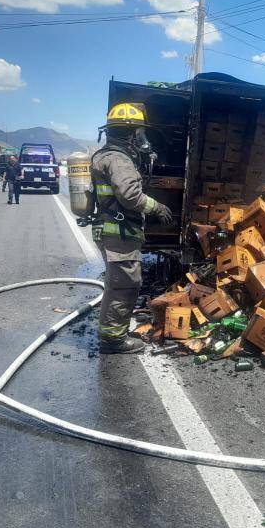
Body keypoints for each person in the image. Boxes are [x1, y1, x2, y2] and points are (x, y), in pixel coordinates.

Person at [91, 102, 173, 354]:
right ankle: (113, 341)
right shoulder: (118, 159)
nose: (142, 138)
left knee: (118, 284)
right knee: (124, 285)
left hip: (115, 232)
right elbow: (129, 195)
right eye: (139, 133)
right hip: (119, 233)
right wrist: (157, 207)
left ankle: (113, 335)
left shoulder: (107, 156)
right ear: (129, 133)